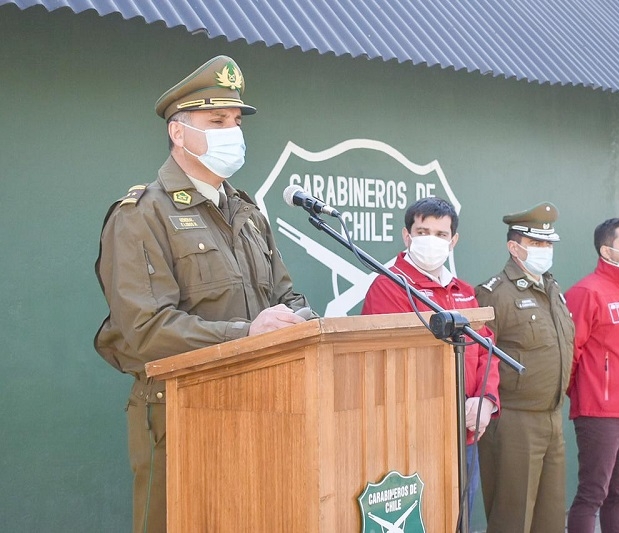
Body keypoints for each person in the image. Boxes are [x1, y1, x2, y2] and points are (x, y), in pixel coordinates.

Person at [94, 56, 313, 533]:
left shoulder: (248, 214)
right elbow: (146, 331)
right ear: (179, 133)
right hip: (178, 413)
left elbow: (287, 296)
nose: (232, 132)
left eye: (235, 121)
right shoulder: (141, 215)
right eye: (218, 121)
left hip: (261, 406)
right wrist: (248, 334)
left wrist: (305, 322)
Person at [360, 196, 500, 516]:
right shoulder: (389, 287)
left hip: (464, 433)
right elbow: (387, 365)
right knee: (425, 518)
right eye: (423, 232)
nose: (431, 241)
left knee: (460, 516)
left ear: (453, 241)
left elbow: (485, 348)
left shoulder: (464, 290)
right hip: (415, 436)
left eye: (440, 234)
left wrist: (485, 401)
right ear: (407, 236)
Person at [475, 202, 575, 533]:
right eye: (536, 243)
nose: (545, 250)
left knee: (550, 519)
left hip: (551, 419)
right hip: (514, 422)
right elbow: (480, 357)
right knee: (512, 518)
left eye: (548, 244)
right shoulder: (495, 294)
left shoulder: (553, 290)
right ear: (514, 247)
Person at [565, 218, 619, 532]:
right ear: (607, 251)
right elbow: (570, 354)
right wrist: (588, 394)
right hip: (600, 414)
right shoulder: (586, 292)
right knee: (592, 495)